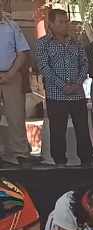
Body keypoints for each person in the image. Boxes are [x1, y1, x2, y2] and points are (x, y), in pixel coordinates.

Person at [34, 8, 93, 168]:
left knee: (82, 129)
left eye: (66, 21)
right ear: (51, 24)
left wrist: (77, 83)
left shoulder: (76, 42)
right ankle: (59, 162)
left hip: (77, 94)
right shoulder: (43, 44)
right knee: (57, 130)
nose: (65, 25)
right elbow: (44, 67)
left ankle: (87, 161)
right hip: (56, 95)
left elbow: (85, 64)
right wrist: (63, 86)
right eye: (61, 22)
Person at [0, 9, 32, 167]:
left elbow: (22, 53)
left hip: (12, 74)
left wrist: (10, 74)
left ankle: (20, 153)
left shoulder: (12, 26)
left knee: (16, 115)